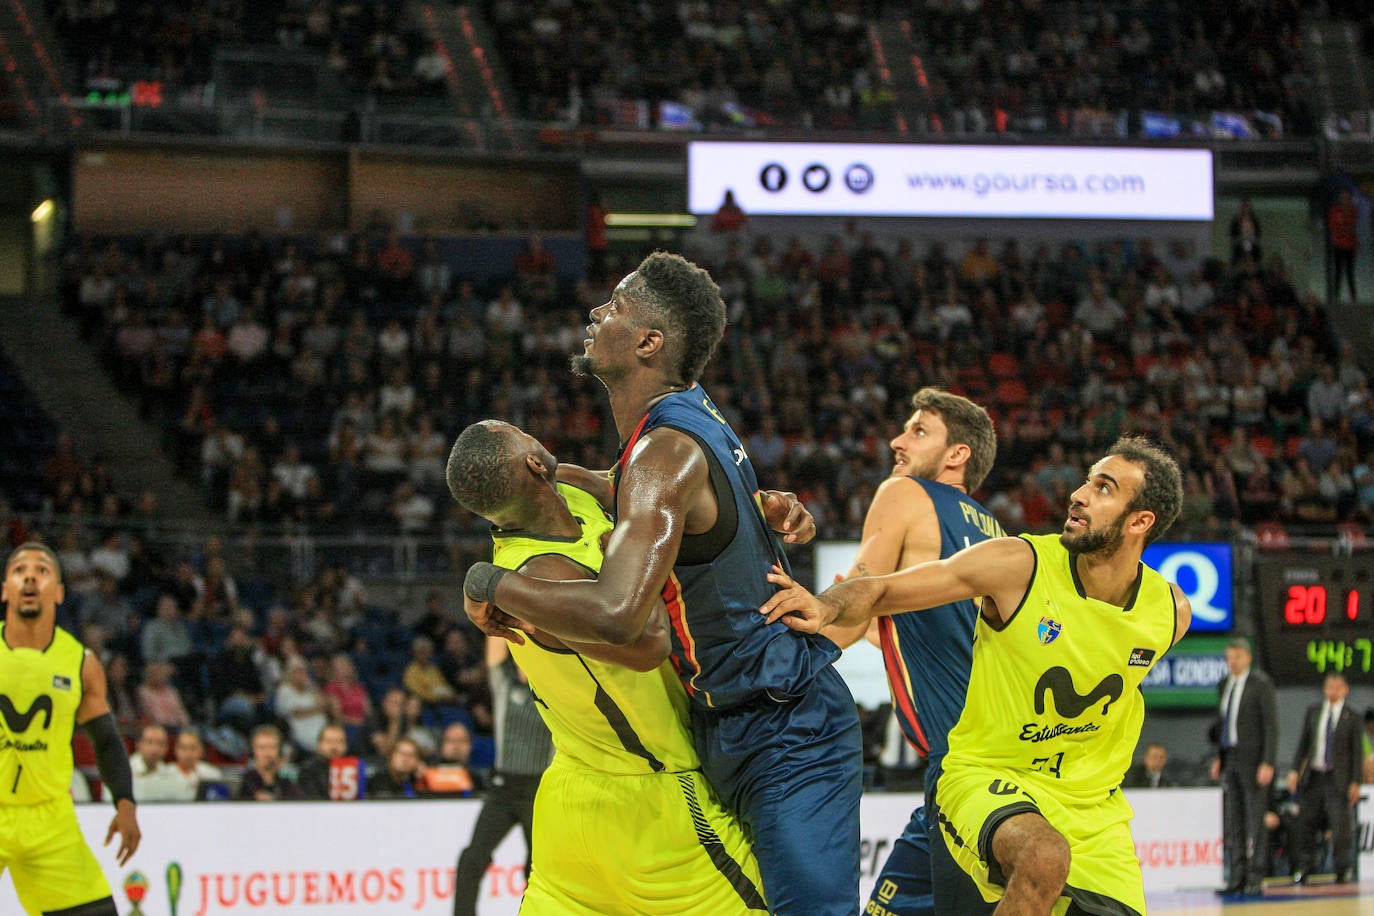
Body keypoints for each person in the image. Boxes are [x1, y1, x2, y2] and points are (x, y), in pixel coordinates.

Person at [462, 252, 863, 913]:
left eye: (615, 306)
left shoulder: (662, 451)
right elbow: (644, 490)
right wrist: (759, 508)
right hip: (731, 722)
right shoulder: (682, 419)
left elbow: (621, 615)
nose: (597, 312)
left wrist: (490, 582)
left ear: (649, 343)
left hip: (785, 722)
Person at [758, 436, 1192, 916]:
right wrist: (824, 606)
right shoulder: (1020, 566)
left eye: (1104, 488)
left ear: (1140, 521)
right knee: (1044, 856)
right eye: (1088, 481)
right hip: (986, 778)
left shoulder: (1169, 612)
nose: (1079, 494)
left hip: (1093, 809)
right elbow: (882, 590)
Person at [449, 420, 767, 913]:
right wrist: (632, 548)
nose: (541, 439)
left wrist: (763, 505)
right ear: (534, 462)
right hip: (651, 795)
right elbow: (648, 644)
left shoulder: (572, 487)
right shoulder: (538, 577)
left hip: (571, 793)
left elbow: (656, 489)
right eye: (526, 435)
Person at [817, 387, 1003, 916]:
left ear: (957, 454)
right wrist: (871, 620)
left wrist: (764, 661)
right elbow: (942, 638)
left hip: (961, 770)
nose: (897, 442)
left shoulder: (902, 493)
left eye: (918, 431)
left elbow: (846, 619)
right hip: (996, 763)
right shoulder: (996, 532)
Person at [0, 542, 141, 914]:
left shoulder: (81, 663)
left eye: (42, 570)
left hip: (49, 820)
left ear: (60, 593)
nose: (30, 577)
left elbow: (106, 740)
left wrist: (125, 802)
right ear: (5, 590)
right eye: (19, 570)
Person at [452, 635, 553, 916]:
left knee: (538, 867)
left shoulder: (553, 695)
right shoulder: (506, 686)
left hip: (538, 791)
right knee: (472, 858)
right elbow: (494, 652)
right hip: (504, 788)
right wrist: (494, 610)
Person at [1210, 636, 1278, 896]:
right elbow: (1223, 724)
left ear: (1248, 658)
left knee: (1255, 819)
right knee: (1234, 819)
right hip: (1231, 758)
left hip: (1254, 760)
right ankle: (1236, 876)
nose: (1233, 662)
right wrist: (1220, 756)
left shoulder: (1261, 684)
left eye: (1237, 657)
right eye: (1229, 658)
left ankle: (1255, 876)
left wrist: (1268, 761)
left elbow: (1271, 726)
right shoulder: (1224, 685)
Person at [1287, 672, 1363, 885]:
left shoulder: (1352, 717)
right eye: (1329, 687)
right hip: (1314, 777)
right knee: (1306, 824)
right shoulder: (1314, 712)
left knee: (1340, 826)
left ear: (1345, 690)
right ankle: (1304, 867)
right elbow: (1303, 745)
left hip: (1338, 780)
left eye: (1337, 688)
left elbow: (1357, 753)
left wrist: (1355, 782)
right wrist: (1294, 770)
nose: (1332, 692)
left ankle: (1342, 869)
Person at [235, 723, 304, 801]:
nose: (267, 753)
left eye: (272, 747)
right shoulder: (243, 780)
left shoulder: (288, 781)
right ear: (253, 750)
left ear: (280, 750)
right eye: (262, 747)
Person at [1328, 188, 1359, 303]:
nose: (1345, 199)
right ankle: (1336, 296)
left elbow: (1352, 227)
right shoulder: (1335, 210)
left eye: (1347, 197)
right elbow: (1333, 227)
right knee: (1338, 270)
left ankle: (1353, 296)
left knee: (1350, 271)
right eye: (1343, 197)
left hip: (1350, 245)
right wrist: (1344, 229)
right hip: (1338, 244)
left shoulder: (1353, 210)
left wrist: (1344, 229)